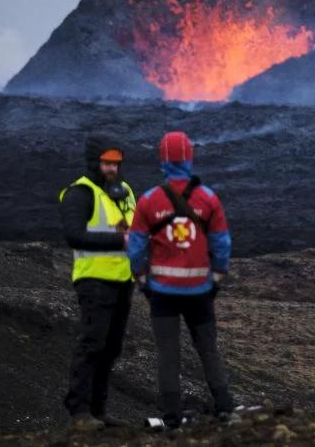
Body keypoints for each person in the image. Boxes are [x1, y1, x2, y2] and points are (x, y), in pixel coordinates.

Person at [127, 131, 234, 428]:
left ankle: (172, 417)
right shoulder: (208, 198)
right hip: (200, 292)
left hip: (162, 293)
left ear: (162, 159)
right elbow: (222, 244)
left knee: (167, 353)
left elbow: (135, 248)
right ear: (190, 157)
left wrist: (142, 279)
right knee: (208, 347)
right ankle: (225, 407)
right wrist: (217, 276)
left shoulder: (149, 200)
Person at [59, 135, 137, 430]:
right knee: (92, 343)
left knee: (111, 347)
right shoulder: (79, 193)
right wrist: (122, 240)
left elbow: (136, 227)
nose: (112, 169)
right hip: (93, 280)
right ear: (94, 162)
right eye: (106, 163)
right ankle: (79, 412)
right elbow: (74, 236)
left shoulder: (126, 191)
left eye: (116, 163)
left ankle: (98, 410)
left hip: (122, 280)